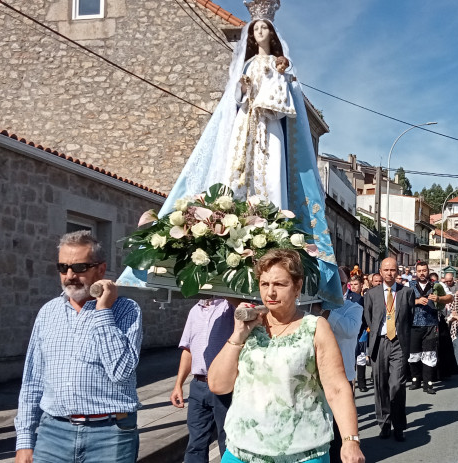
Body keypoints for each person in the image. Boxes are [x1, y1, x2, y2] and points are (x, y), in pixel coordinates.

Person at [117, 2, 343, 308]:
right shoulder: (248, 65)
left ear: (272, 35)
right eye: (257, 29)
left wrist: (282, 79)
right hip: (246, 129)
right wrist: (243, 88)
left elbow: (287, 101)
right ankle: (238, 220)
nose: (261, 32)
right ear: (251, 36)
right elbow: (234, 99)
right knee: (240, 172)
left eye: (265, 28)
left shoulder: (280, 65)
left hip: (271, 129)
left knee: (271, 170)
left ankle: (272, 223)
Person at [208, 249, 365, 463]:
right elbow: (218, 385)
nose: (271, 292)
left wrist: (350, 441)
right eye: (265, 284)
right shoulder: (250, 326)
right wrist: (238, 335)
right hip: (243, 450)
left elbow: (337, 388)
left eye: (280, 284)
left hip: (302, 452)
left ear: (297, 287)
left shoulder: (315, 327)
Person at [14, 231, 142, 463]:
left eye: (80, 267)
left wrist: (103, 311)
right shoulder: (48, 312)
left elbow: (121, 372)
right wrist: (24, 439)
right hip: (52, 434)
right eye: (63, 268)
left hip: (110, 434)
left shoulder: (126, 311)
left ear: (101, 270)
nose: (70, 276)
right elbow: (33, 380)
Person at [171, 299, 235, 462]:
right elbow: (188, 349)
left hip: (225, 387)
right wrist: (178, 385)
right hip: (198, 386)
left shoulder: (229, 306)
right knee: (195, 443)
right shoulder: (194, 311)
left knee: (228, 441)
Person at [311, 268, 364, 463]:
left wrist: (325, 311)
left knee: (337, 430)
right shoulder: (309, 308)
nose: (333, 289)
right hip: (314, 377)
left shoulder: (353, 307)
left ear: (345, 286)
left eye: (339, 284)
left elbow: (349, 331)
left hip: (342, 377)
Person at [363, 257, 415, 441]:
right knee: (380, 385)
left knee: (397, 385)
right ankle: (384, 423)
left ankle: (399, 425)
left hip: (398, 343)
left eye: (393, 270)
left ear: (397, 272)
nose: (389, 273)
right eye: (386, 270)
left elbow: (410, 317)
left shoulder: (407, 292)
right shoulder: (371, 294)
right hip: (379, 342)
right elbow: (369, 318)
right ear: (380, 271)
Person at [407, 261, 452, 395]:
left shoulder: (436, 285)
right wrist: (416, 301)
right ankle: (416, 380)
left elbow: (450, 298)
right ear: (416, 272)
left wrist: (439, 298)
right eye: (419, 271)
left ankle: (428, 383)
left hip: (431, 325)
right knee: (413, 355)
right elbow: (400, 301)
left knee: (429, 354)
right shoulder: (408, 286)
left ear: (428, 271)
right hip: (414, 325)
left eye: (424, 270)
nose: (422, 273)